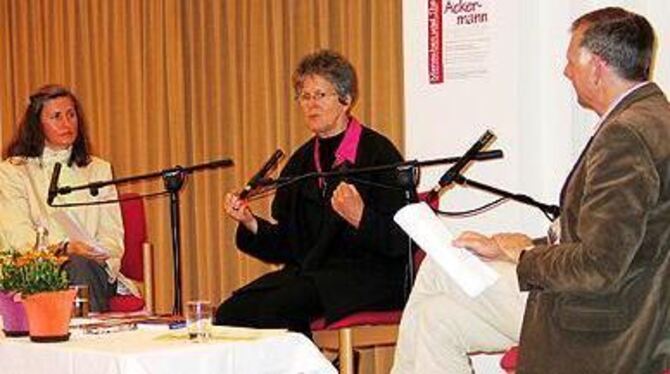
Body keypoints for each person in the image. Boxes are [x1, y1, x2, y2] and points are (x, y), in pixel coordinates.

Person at [392, 7, 670, 373]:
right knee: (436, 318)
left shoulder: (625, 135)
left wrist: (522, 255)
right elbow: (611, 239)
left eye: (572, 61)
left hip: (607, 321)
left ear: (597, 68)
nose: (566, 72)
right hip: (614, 303)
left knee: (437, 270)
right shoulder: (652, 117)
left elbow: (600, 265)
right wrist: (515, 247)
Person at [214, 49, 409, 336]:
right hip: (314, 275)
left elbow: (402, 242)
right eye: (305, 97)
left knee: (280, 307)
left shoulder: (378, 153)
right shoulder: (301, 161)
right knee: (230, 313)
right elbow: (289, 245)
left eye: (321, 95)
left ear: (346, 100)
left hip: (371, 276)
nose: (311, 105)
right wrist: (249, 222)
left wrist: (361, 218)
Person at [0, 84, 139, 312]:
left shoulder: (99, 169)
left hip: (93, 269)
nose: (67, 124)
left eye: (71, 115)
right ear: (37, 125)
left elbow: (112, 234)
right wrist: (64, 249)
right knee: (76, 264)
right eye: (56, 116)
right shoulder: (13, 171)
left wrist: (99, 253)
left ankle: (85, 341)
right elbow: (19, 238)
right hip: (38, 272)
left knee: (82, 266)